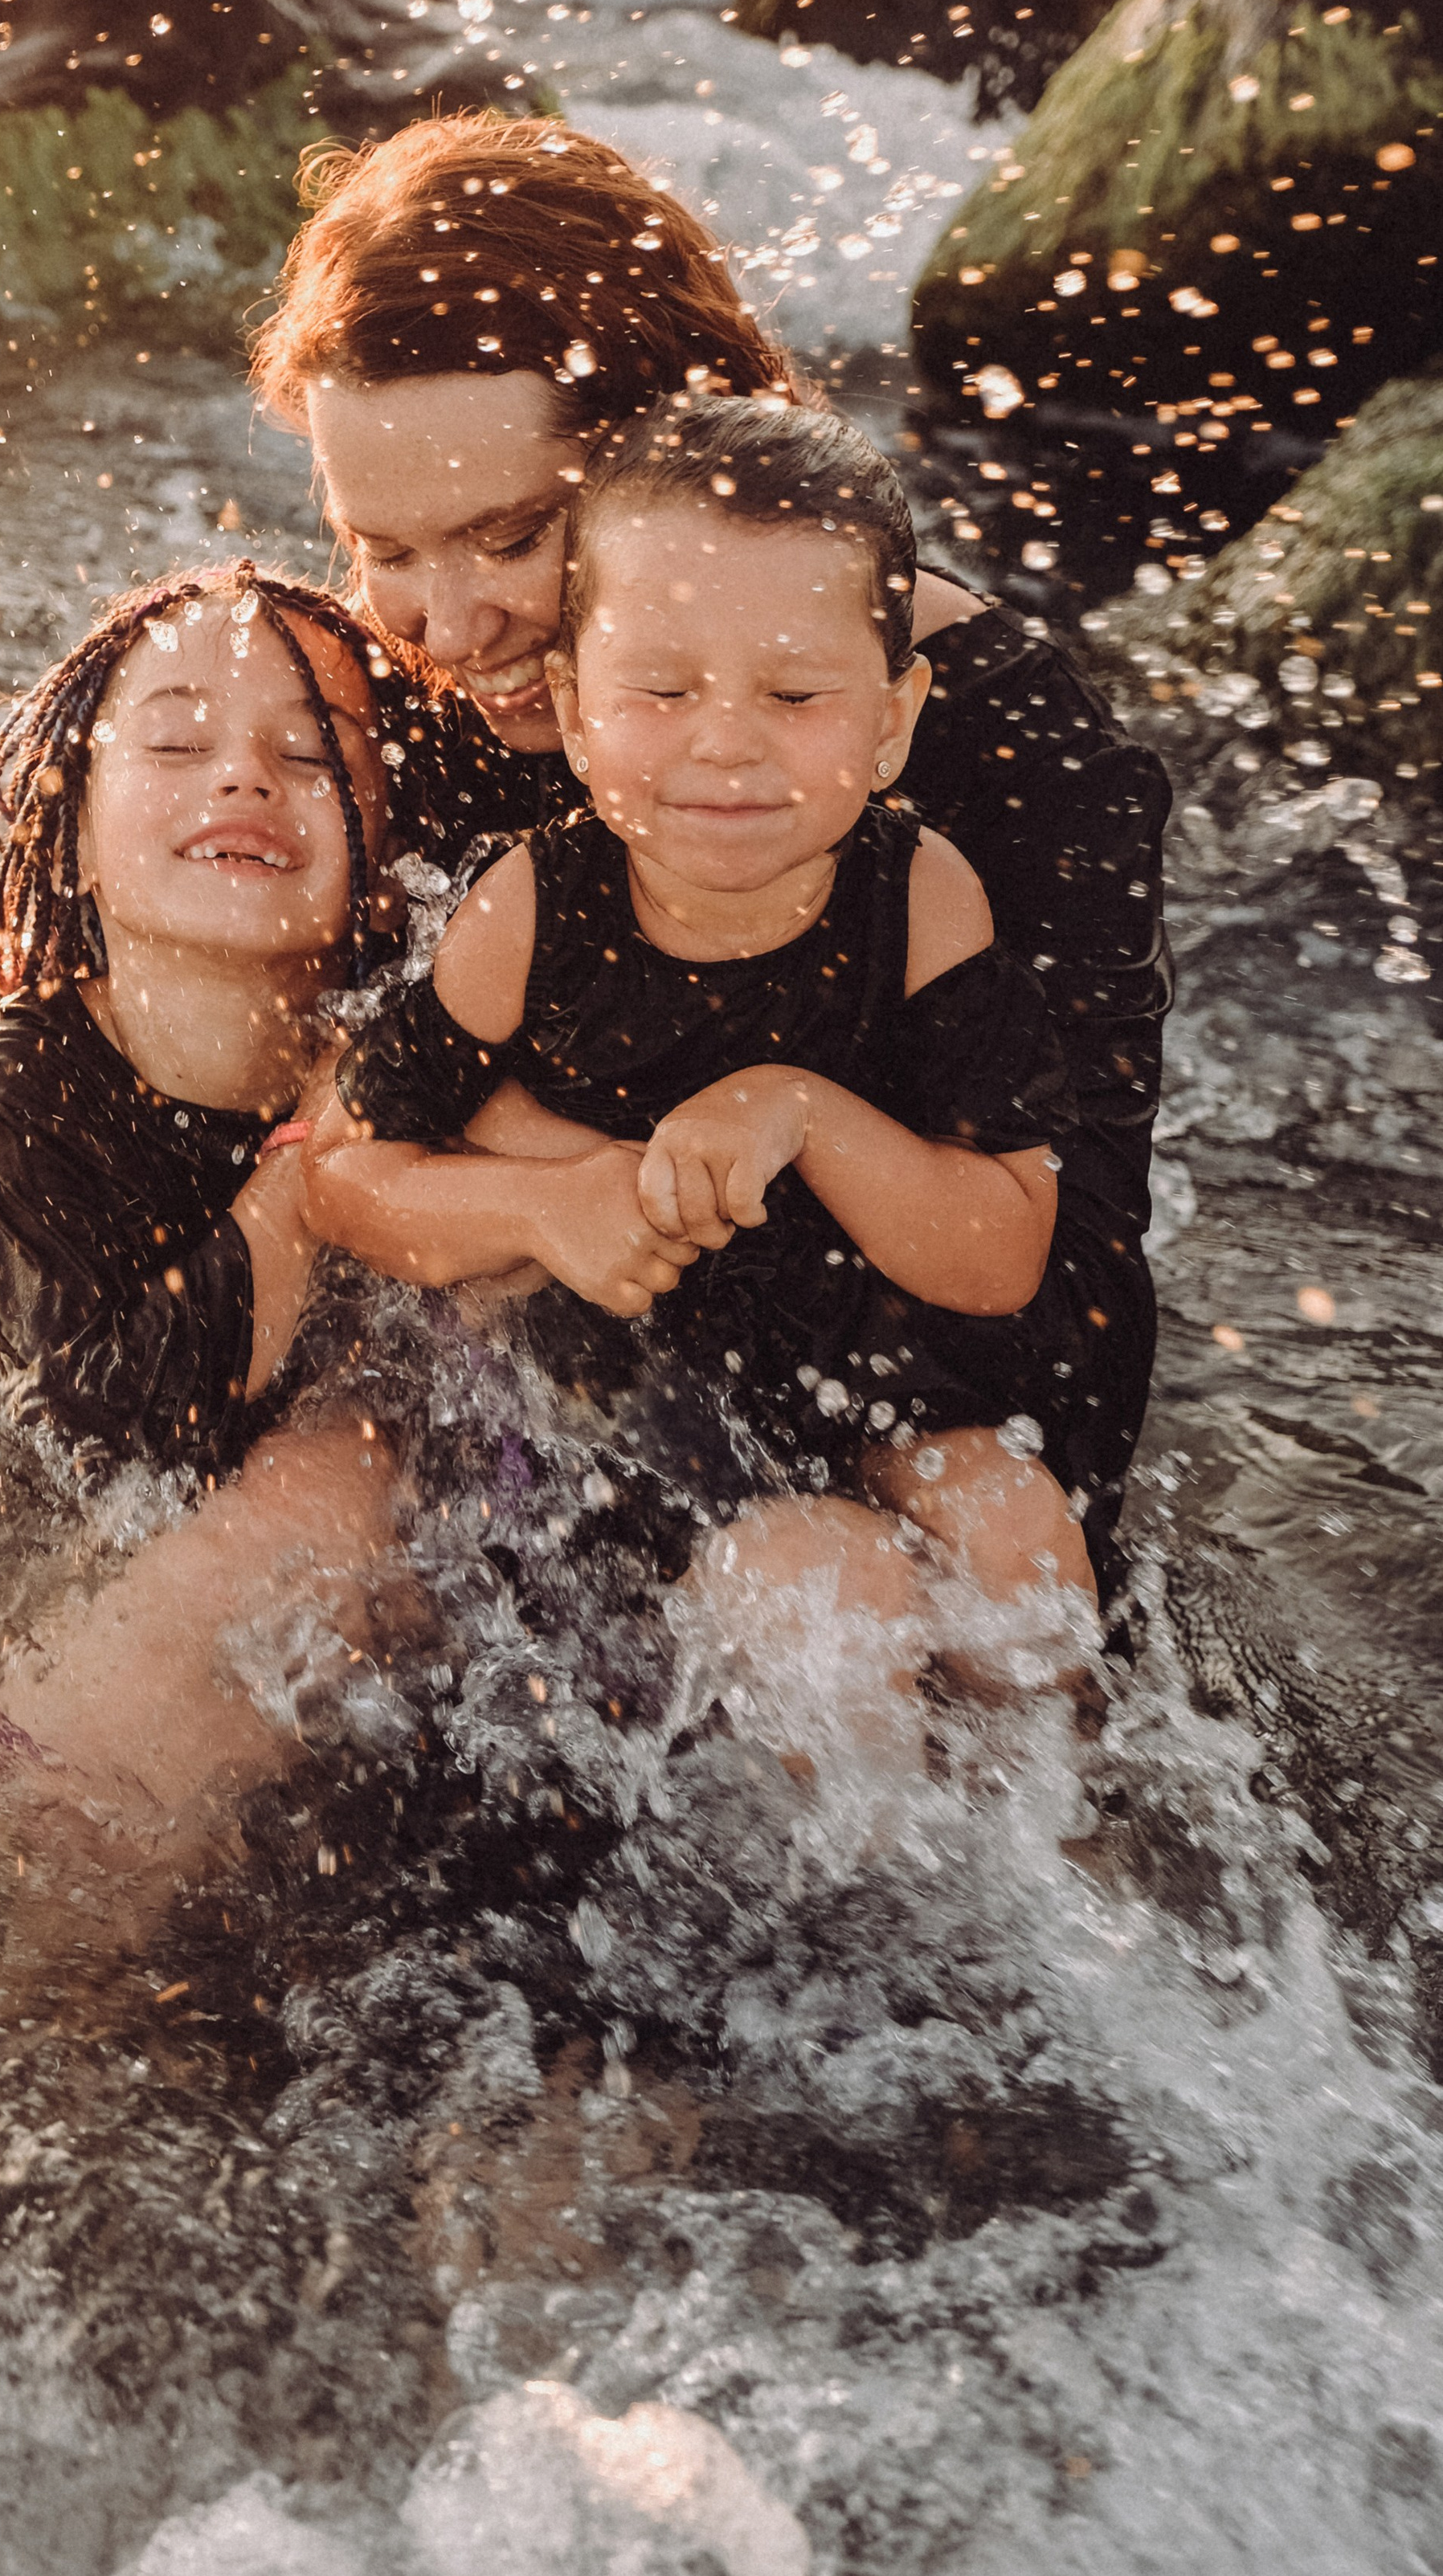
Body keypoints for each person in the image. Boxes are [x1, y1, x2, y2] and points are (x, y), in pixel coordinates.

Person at [253, 114, 1171, 1603]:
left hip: (893, 1457)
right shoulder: (409, 688)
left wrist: (573, 1148)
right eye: (386, 548)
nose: (444, 623)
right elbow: (310, 1119)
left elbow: (1065, 1303)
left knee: (841, 1604)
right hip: (515, 1409)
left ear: (692, 451)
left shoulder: (1012, 757)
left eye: (506, 539)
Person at [307, 400, 1094, 1784]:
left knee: (1020, 1534)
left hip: (869, 1366)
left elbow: (1001, 1255)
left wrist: (801, 1106)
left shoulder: (921, 897)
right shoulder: (529, 914)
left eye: (795, 699)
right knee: (826, 1587)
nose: (727, 746)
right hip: (636, 1407)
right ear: (574, 707)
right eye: (662, 694)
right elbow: (351, 1173)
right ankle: (866, 1922)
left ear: (895, 718)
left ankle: (1065, 1861)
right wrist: (552, 1206)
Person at [0, 561, 411, 1869]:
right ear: (71, 822)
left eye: (312, 754)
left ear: (390, 849)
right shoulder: (21, 1096)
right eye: (180, 741)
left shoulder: (433, 1023)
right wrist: (309, 1163)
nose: (243, 777)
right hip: (92, 1494)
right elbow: (136, 1410)